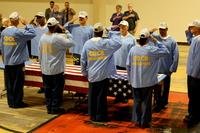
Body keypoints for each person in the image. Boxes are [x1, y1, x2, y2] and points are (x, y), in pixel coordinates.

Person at [126, 28, 169, 128]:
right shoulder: (152, 50)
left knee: (137, 101)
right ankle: (144, 122)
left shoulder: (133, 49)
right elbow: (166, 51)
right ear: (148, 39)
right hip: (147, 82)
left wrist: (130, 78)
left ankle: (137, 120)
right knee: (146, 102)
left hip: (135, 81)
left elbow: (128, 65)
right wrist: (156, 41)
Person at [81, 23, 122, 122]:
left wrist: (84, 72)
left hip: (91, 74)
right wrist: (113, 32)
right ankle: (100, 116)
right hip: (102, 75)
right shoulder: (105, 43)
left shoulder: (87, 43)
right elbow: (118, 43)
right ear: (102, 32)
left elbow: (83, 59)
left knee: (92, 96)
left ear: (94, 32)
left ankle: (92, 115)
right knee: (101, 97)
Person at [39, 17, 75, 114]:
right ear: (55, 27)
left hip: (45, 68)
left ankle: (49, 107)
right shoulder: (58, 38)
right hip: (56, 69)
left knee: (47, 90)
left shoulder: (43, 37)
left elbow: (40, 52)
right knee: (56, 90)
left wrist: (41, 66)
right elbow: (71, 43)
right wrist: (66, 31)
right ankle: (55, 108)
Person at [0, 11, 36, 108]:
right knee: (18, 84)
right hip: (17, 63)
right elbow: (33, 34)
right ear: (17, 21)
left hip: (7, 63)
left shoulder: (4, 32)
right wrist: (27, 23)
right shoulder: (19, 32)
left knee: (9, 84)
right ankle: (17, 102)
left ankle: (11, 102)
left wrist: (4, 60)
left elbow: (1, 47)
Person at [151, 22, 179, 112]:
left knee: (165, 87)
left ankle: (164, 102)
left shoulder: (172, 41)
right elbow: (146, 35)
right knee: (156, 87)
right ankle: (157, 102)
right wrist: (151, 30)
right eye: (160, 29)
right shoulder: (156, 37)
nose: (161, 31)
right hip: (157, 68)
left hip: (166, 68)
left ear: (167, 29)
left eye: (163, 29)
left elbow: (176, 55)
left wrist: (172, 68)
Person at [113, 20, 136, 103]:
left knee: (125, 82)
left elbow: (134, 52)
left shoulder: (132, 39)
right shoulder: (116, 37)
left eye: (123, 26)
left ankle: (125, 96)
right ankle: (117, 96)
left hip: (126, 64)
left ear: (127, 27)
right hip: (116, 63)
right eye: (120, 26)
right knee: (116, 80)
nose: (121, 28)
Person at [185, 20, 200, 127]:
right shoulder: (195, 39)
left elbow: (198, 60)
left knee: (195, 97)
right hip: (191, 73)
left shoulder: (199, 40)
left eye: (192, 27)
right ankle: (191, 114)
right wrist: (188, 33)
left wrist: (194, 74)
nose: (190, 28)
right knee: (191, 96)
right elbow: (190, 41)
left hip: (195, 75)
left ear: (198, 28)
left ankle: (195, 117)